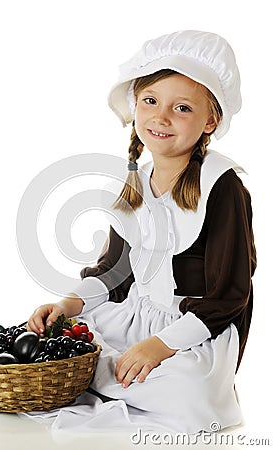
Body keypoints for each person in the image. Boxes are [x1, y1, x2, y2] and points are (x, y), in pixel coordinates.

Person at [26, 30, 256, 433]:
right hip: (134, 315)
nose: (162, 117)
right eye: (150, 101)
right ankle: (105, 377)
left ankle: (115, 383)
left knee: (189, 392)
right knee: (67, 346)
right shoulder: (137, 180)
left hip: (191, 327)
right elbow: (114, 272)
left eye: (182, 107)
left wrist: (161, 345)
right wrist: (67, 305)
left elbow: (231, 292)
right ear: (135, 107)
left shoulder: (222, 186)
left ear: (211, 120)